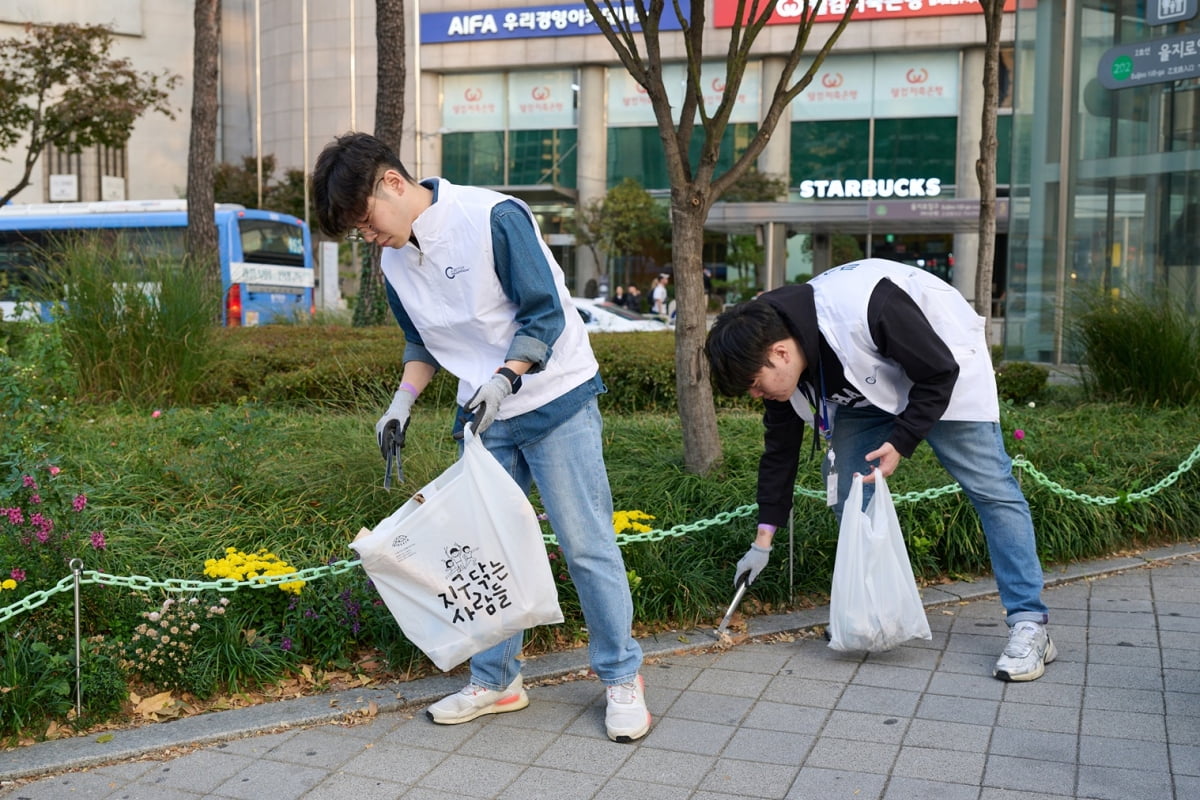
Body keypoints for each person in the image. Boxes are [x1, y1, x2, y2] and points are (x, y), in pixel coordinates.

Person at [311, 132, 650, 742]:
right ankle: (497, 681)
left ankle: (622, 677)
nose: (367, 236)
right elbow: (422, 342)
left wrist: (505, 377)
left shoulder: (491, 216)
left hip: (555, 397)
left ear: (392, 182)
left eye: (365, 221)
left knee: (586, 544)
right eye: (356, 231)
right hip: (485, 415)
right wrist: (401, 403)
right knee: (488, 551)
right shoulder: (392, 259)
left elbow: (543, 312)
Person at [704, 258, 1054, 682]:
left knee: (992, 490)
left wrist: (901, 441)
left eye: (756, 385)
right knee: (851, 495)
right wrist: (763, 541)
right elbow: (780, 454)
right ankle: (873, 611)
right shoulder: (776, 351)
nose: (757, 394)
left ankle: (1029, 623)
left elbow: (940, 372)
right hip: (866, 389)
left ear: (780, 353)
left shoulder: (866, 307)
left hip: (940, 370)